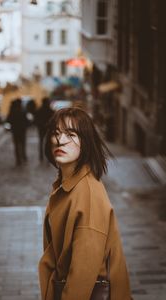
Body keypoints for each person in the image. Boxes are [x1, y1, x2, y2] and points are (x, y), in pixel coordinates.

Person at [38, 107, 133, 300]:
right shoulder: (68, 186)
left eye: (71, 134)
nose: (60, 140)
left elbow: (83, 273)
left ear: (86, 142)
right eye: (56, 133)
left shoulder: (87, 192)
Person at [6, 98, 28, 166]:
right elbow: (26, 121)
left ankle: (18, 159)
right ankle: (24, 156)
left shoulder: (12, 111)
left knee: (16, 145)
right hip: (22, 130)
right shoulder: (23, 110)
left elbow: (8, 120)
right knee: (23, 144)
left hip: (15, 130)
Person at [34, 97, 54, 162]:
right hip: (48, 128)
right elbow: (54, 119)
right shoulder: (50, 110)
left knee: (41, 142)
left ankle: (41, 156)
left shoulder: (39, 110)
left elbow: (36, 120)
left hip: (41, 128)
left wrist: (40, 124)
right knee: (48, 143)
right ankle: (48, 156)